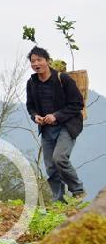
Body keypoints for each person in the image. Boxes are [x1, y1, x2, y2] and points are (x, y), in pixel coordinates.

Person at [25, 46, 86, 202]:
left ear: (47, 61)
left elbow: (78, 103)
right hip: (46, 129)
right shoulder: (31, 82)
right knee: (51, 166)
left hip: (67, 125)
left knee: (60, 159)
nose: (36, 63)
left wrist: (56, 116)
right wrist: (35, 116)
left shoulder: (62, 79)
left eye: (39, 60)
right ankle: (58, 200)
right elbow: (30, 106)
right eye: (33, 61)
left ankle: (78, 190)